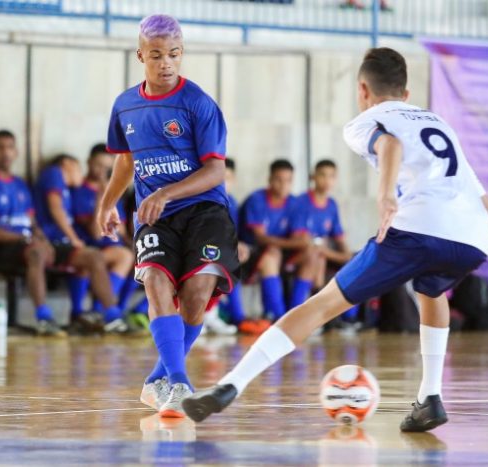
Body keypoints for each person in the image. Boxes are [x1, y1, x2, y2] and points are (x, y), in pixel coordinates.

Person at [182, 47, 488, 433]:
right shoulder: (439, 122)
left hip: (418, 228)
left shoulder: (367, 120)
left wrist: (386, 197)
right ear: (407, 91)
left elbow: (391, 145)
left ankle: (230, 384)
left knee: (322, 305)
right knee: (432, 291)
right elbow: (487, 203)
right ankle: (430, 397)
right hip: (475, 237)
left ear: (362, 89)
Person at [96, 14, 239, 418]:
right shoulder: (125, 105)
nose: (166, 63)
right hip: (153, 215)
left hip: (203, 209)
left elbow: (215, 170)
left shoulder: (198, 104)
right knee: (156, 281)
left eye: (173, 54)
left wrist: (166, 192)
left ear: (182, 54)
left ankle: (156, 379)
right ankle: (178, 382)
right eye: (156, 55)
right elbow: (125, 162)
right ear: (140, 55)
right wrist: (107, 204)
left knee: (195, 298)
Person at [0, 130, 66, 337]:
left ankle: (108, 317)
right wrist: (29, 240)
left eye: (10, 147)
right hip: (4, 249)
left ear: (16, 152)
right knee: (36, 252)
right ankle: (44, 318)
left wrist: (44, 240)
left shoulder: (20, 185)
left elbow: (32, 224)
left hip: (32, 243)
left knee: (89, 256)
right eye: (0, 147)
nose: (5, 152)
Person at [33, 154, 125, 333]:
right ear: (66, 163)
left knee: (92, 257)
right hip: (52, 242)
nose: (80, 173)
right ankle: (48, 317)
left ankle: (111, 316)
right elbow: (56, 209)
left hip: (62, 243)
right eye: (78, 167)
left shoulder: (65, 187)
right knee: (91, 254)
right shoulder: (54, 173)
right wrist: (74, 238)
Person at [72, 144, 135, 323]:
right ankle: (102, 310)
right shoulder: (79, 191)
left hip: (111, 246)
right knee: (123, 256)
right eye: (98, 165)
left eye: (107, 168)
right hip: (89, 246)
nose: (102, 172)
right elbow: (96, 233)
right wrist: (101, 198)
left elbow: (119, 229)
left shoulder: (115, 192)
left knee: (138, 256)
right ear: (89, 162)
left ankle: (110, 310)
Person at [238, 159, 307, 322]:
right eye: (278, 179)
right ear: (270, 179)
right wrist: (293, 242)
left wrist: (298, 243)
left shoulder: (294, 202)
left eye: (288, 180)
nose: (283, 185)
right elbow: (260, 238)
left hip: (280, 252)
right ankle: (278, 316)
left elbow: (302, 240)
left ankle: (298, 315)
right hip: (248, 252)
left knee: (314, 255)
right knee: (271, 254)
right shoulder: (257, 199)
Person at [214, 158, 270, 335]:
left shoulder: (232, 202)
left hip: (220, 251)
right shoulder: (203, 200)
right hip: (201, 250)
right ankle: (225, 315)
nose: (223, 182)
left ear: (233, 179)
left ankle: (237, 317)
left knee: (235, 256)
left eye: (227, 177)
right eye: (218, 177)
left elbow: (231, 234)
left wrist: (240, 245)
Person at [288, 159, 351, 311]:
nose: (327, 180)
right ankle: (297, 310)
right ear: (313, 177)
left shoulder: (332, 205)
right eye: (322, 175)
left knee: (354, 260)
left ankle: (349, 317)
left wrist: (346, 255)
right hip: (298, 255)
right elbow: (299, 239)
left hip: (323, 252)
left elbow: (340, 238)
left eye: (331, 176)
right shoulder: (301, 202)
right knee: (316, 255)